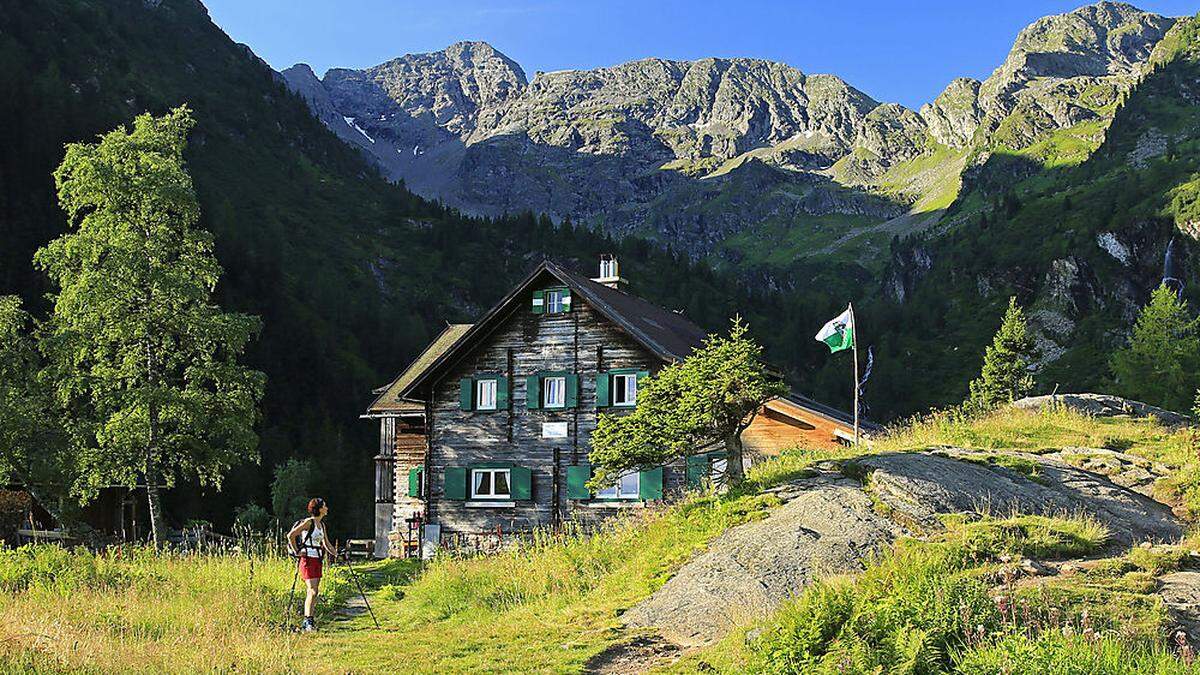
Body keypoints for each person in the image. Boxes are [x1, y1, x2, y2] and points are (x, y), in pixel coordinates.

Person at [287, 497, 338, 632]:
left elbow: (326, 544)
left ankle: (309, 621)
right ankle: (307, 622)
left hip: (317, 559)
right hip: (307, 559)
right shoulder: (308, 522)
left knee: (315, 592)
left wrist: (337, 554)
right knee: (312, 591)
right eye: (325, 506)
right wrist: (297, 551)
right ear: (320, 509)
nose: (327, 508)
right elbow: (290, 535)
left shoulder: (322, 525)